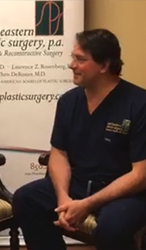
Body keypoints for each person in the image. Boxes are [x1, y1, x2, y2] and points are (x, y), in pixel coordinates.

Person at [12, 28, 146, 250]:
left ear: (104, 65)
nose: (71, 65)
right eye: (73, 57)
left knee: (112, 227)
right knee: (27, 199)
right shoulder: (68, 101)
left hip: (124, 195)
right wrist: (64, 197)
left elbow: (140, 175)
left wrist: (88, 204)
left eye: (80, 59)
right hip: (78, 185)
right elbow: (58, 153)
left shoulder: (139, 104)